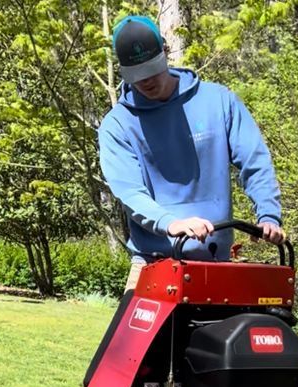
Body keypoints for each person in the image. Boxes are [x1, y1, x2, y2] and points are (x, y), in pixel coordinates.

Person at [98, 14, 285, 290]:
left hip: (217, 265)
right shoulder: (117, 125)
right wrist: (170, 223)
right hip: (152, 265)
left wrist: (268, 214)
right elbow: (129, 191)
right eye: (137, 75)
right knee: (126, 335)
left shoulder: (218, 101)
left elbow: (254, 160)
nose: (146, 81)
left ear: (165, 51)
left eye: (152, 69)